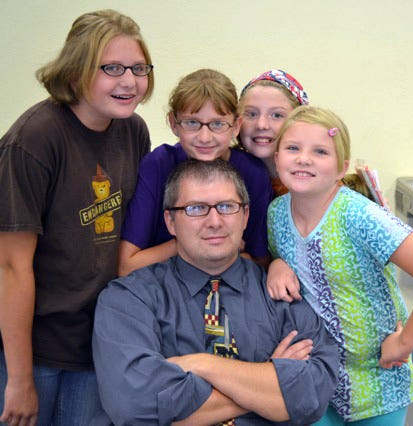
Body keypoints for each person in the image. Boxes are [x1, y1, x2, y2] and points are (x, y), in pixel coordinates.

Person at [92, 158, 339, 425]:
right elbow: (136, 406)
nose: (214, 221)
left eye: (226, 207)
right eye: (196, 208)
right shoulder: (129, 299)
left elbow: (312, 396)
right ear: (170, 221)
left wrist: (203, 365)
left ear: (245, 216)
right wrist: (266, 379)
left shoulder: (283, 294)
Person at [0, 9, 153, 426]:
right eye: (112, 68)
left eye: (139, 68)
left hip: (97, 343)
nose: (129, 81)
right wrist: (18, 379)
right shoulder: (34, 139)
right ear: (75, 73)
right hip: (34, 348)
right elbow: (10, 267)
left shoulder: (133, 130)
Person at [267, 106, 413, 425]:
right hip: (317, 379)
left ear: (342, 167)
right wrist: (276, 263)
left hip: (378, 383)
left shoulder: (359, 216)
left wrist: (405, 342)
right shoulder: (276, 213)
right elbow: (285, 259)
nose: (304, 158)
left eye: (320, 151)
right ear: (276, 158)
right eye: (292, 148)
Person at [118, 69, 273, 276]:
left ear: (236, 126)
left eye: (217, 124)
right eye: (192, 123)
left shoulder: (254, 175)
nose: (205, 137)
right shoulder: (158, 164)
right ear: (174, 123)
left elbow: (259, 264)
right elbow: (128, 267)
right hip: (162, 285)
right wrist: (192, 244)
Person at [237, 69, 309, 197]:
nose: (261, 125)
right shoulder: (226, 173)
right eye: (251, 114)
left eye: (276, 115)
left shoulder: (318, 181)